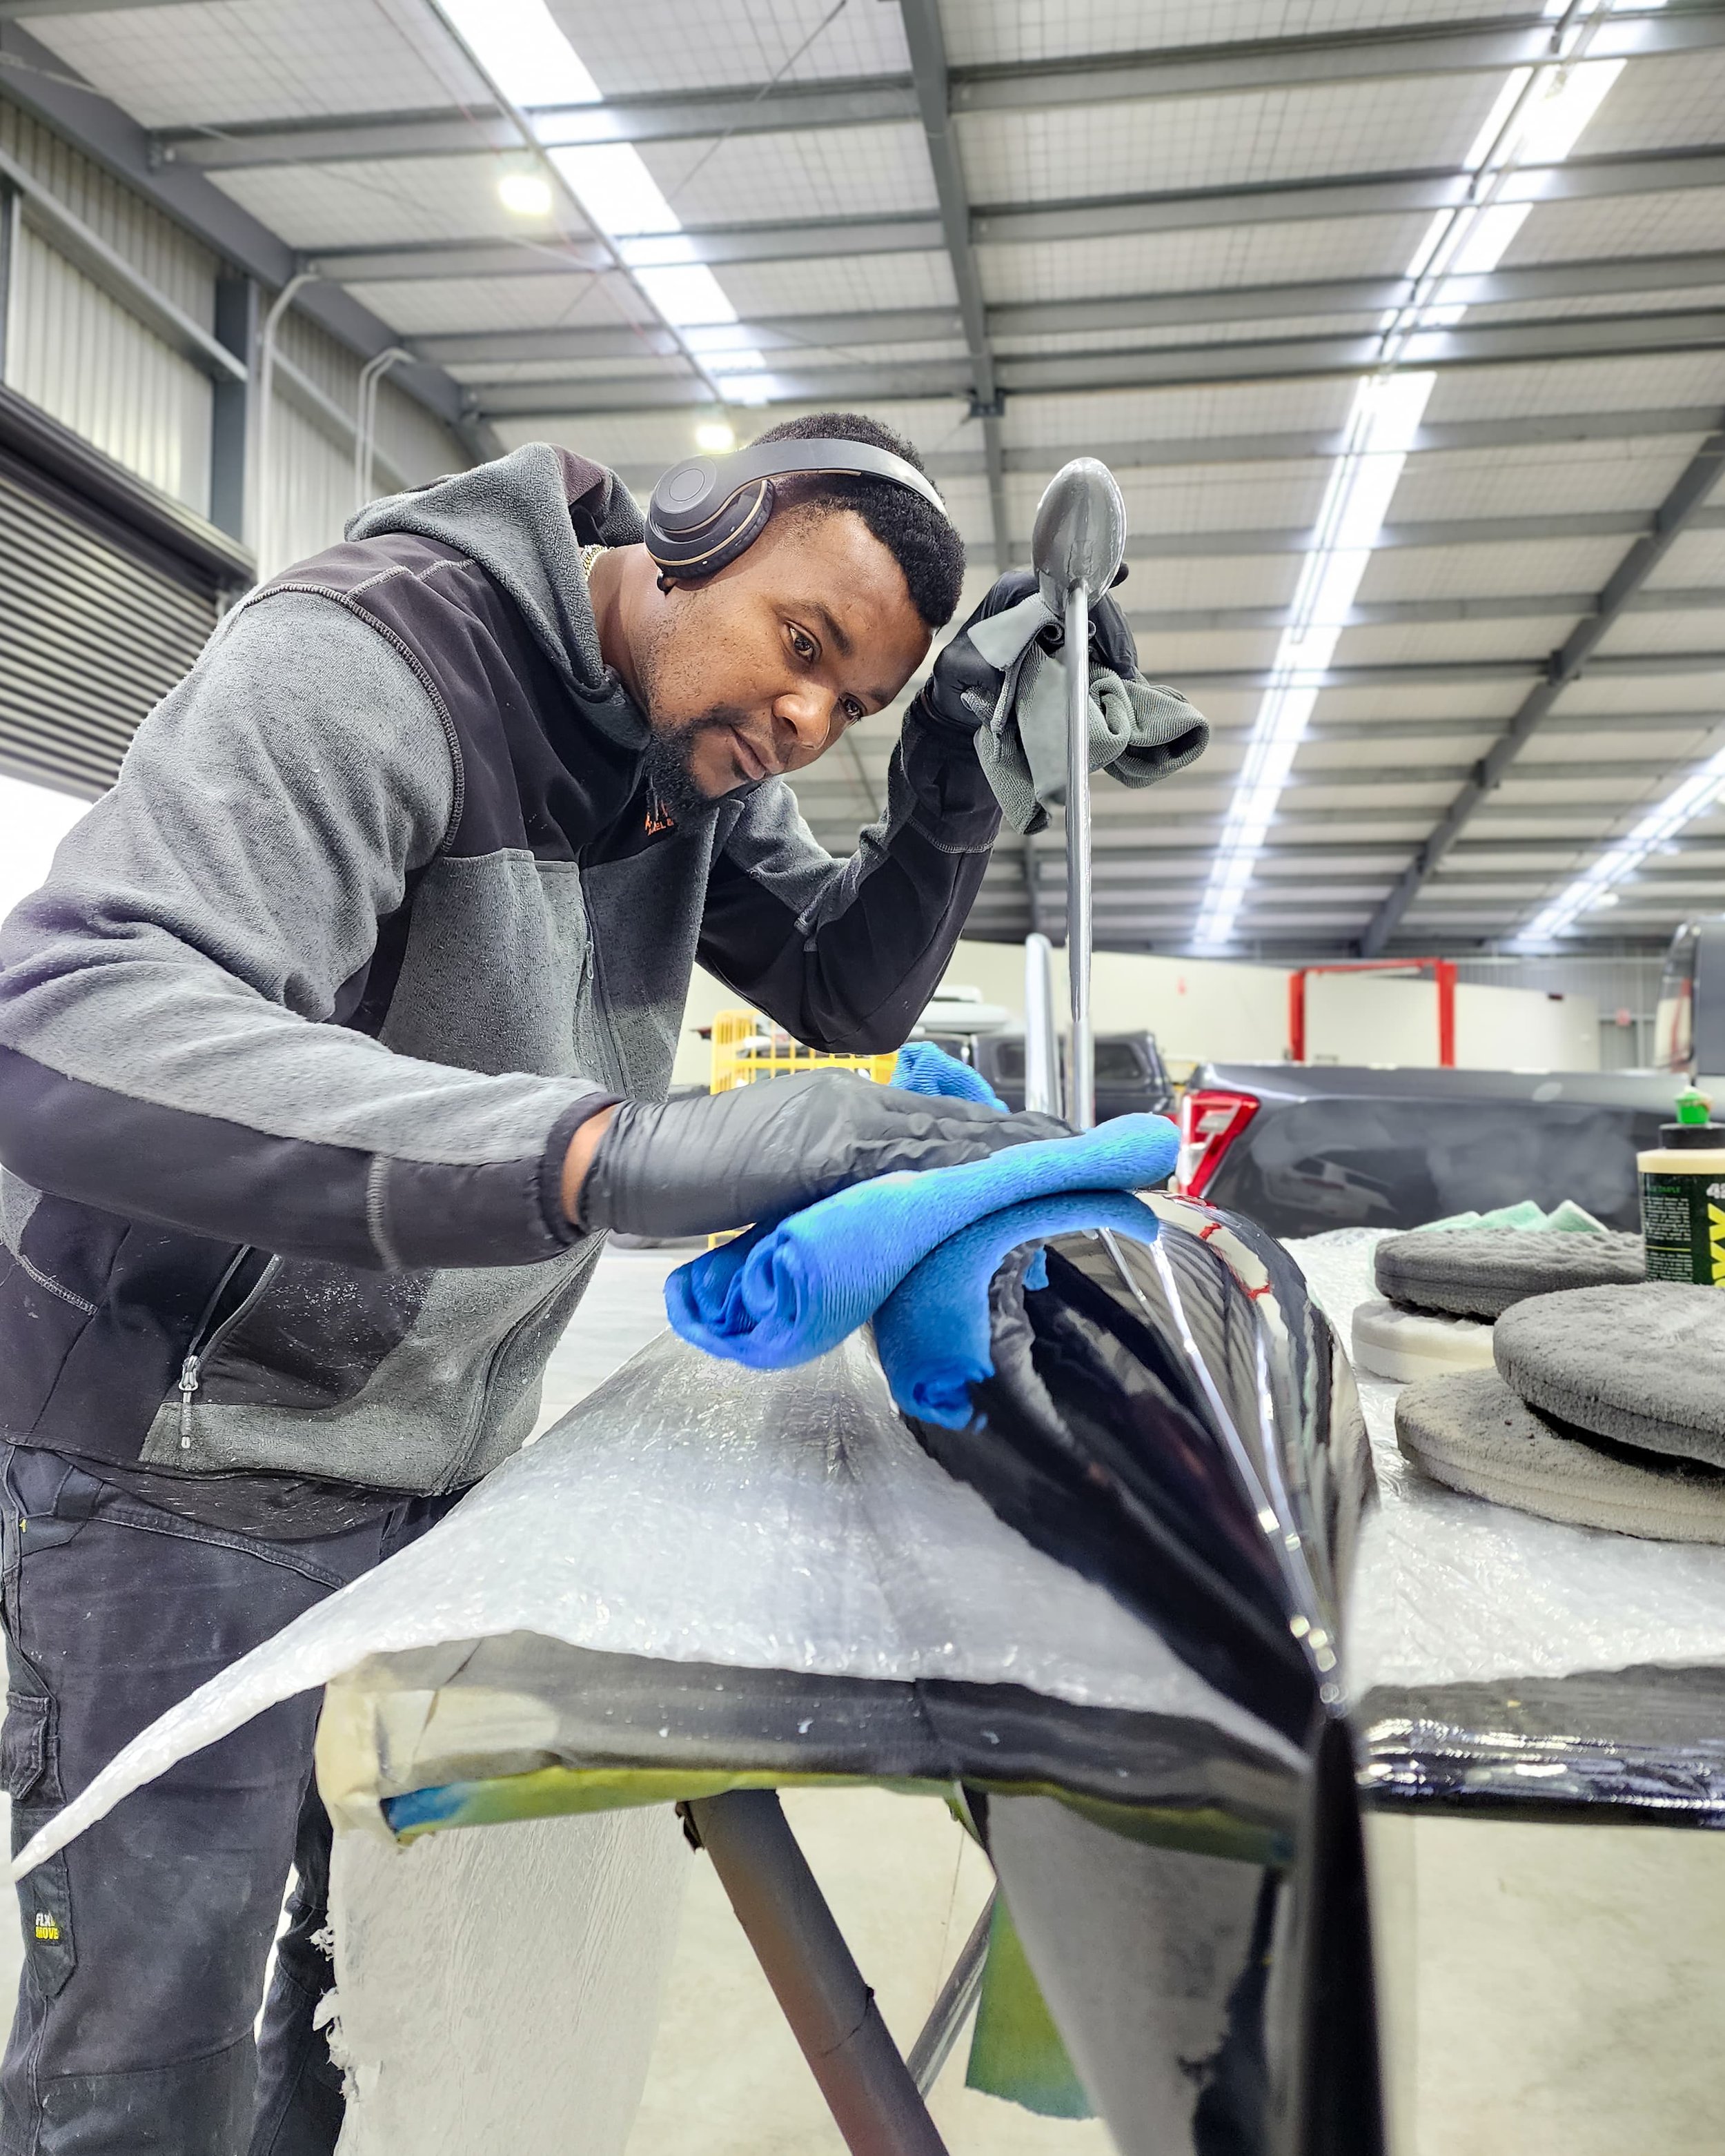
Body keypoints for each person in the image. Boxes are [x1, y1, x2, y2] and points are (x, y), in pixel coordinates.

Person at [0, 410, 1145, 2153]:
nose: (802, 721)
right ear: (694, 531)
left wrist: (942, 813)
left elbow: (838, 992)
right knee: (154, 2033)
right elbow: (65, 1021)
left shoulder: (679, 753)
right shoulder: (370, 660)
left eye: (848, 706)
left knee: (343, 1979)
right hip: (180, 1463)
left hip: (420, 1463)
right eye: (802, 646)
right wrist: (601, 1154)